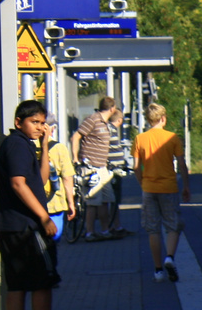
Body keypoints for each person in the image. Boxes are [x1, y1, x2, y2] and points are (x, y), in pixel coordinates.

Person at [0, 100, 80, 310]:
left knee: (17, 285)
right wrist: (44, 217)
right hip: (26, 226)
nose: (40, 127)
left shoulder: (22, 146)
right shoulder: (17, 145)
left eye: (43, 123)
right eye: (35, 122)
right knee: (43, 282)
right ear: (18, 122)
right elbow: (19, 184)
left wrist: (44, 147)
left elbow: (41, 180)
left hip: (11, 226)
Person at [133, 102, 191, 283]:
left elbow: (136, 167)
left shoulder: (140, 139)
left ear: (148, 120)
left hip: (149, 189)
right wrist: (186, 186)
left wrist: (142, 182)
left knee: (153, 229)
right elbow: (181, 164)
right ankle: (170, 258)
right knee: (173, 226)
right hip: (169, 188)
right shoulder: (172, 138)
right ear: (163, 119)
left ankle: (158, 270)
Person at [71, 96, 122, 240]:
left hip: (102, 167)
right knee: (93, 202)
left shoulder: (105, 123)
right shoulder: (93, 119)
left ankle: (105, 230)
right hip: (91, 166)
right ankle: (89, 232)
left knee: (106, 199)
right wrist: (76, 158)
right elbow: (76, 136)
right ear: (112, 109)